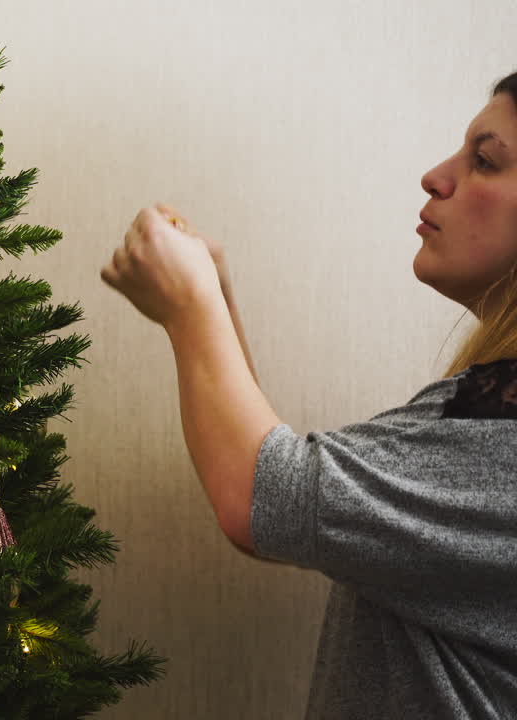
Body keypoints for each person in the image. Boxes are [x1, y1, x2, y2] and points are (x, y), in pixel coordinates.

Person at [99, 70, 517, 719]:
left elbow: (260, 497)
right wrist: (213, 298)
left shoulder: (499, 424)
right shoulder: (486, 403)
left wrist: (190, 307)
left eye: (484, 161)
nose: (436, 177)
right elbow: (289, 511)